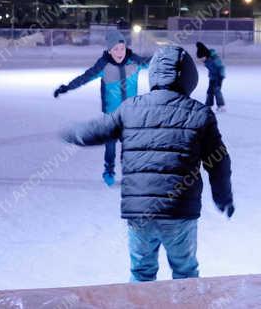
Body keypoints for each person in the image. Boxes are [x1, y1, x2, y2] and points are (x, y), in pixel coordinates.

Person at [61, 46, 233, 282]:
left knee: (141, 274)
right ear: (190, 78)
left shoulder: (130, 108)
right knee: (185, 274)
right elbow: (219, 161)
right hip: (179, 211)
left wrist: (73, 133)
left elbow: (97, 130)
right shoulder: (199, 113)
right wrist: (223, 196)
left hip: (140, 211)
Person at [53, 29, 151, 186]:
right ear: (109, 50)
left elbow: (153, 62)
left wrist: (172, 57)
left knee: (129, 147)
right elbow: (85, 77)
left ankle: (128, 174)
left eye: (122, 48)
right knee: (110, 148)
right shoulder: (103, 65)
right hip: (111, 116)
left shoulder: (134, 61)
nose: (119, 52)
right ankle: (109, 172)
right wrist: (67, 87)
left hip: (130, 114)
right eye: (115, 49)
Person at [196, 42, 227, 111]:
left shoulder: (214, 59)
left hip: (219, 77)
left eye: (201, 58)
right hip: (212, 77)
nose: (201, 60)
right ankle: (208, 105)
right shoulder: (206, 60)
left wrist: (221, 76)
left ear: (205, 56)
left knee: (217, 90)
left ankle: (221, 105)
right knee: (209, 91)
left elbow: (221, 67)